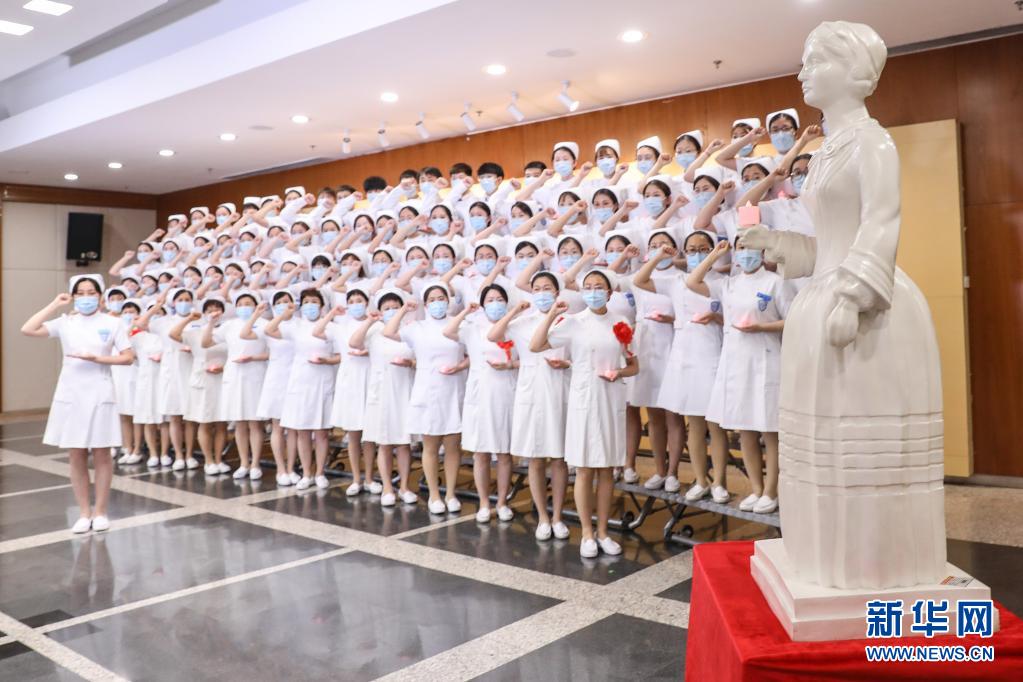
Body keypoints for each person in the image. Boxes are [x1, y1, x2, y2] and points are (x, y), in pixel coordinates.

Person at [530, 269, 638, 559]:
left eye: (598, 286)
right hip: (583, 398)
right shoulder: (573, 322)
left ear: (609, 292)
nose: (593, 291)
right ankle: (587, 533)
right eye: (587, 286)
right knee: (585, 468)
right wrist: (552, 315)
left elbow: (634, 365)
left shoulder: (621, 322)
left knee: (607, 469)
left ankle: (603, 532)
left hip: (611, 397)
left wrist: (618, 372)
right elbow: (535, 345)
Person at [21, 275, 134, 533]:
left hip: (100, 391)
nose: (85, 297)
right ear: (73, 296)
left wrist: (98, 359)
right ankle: (84, 513)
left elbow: (128, 357)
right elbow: (27, 329)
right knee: (76, 454)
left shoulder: (112, 323)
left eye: (91, 292)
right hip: (71, 394)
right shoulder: (65, 322)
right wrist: (54, 304)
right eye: (80, 293)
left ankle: (101, 512)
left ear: (100, 296)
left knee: (102, 454)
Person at [686, 238, 788, 514]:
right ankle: (756, 489)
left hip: (765, 359)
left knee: (769, 430)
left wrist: (762, 328)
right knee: (745, 429)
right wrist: (714, 255)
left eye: (750, 246)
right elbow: (693, 282)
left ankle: (771, 491)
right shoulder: (728, 283)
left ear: (763, 250)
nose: (745, 252)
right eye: (740, 247)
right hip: (736, 361)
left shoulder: (775, 282)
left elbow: (792, 319)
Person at [636, 232, 731, 504]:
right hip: (685, 356)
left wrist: (716, 317)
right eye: (691, 250)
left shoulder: (723, 283)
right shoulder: (675, 281)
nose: (697, 254)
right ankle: (700, 480)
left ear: (713, 250)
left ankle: (719, 482)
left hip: (712, 353)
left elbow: (732, 317)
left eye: (703, 249)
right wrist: (658, 256)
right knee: (695, 424)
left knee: (715, 425)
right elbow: (639, 280)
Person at [489, 270, 572, 540]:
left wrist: (567, 363)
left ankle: (557, 516)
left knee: (558, 459)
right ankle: (543, 518)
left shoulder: (568, 320)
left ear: (557, 292)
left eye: (547, 288)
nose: (542, 293)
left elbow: (580, 357)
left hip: (559, 389)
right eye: (537, 288)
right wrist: (514, 311)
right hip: (530, 391)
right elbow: (494, 335)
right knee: (535, 457)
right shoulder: (522, 322)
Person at [381, 283, 467, 515]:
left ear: (448, 301)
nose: (438, 303)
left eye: (441, 298)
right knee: (431, 446)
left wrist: (460, 366)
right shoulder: (416, 327)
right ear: (426, 304)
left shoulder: (459, 323)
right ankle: (434, 495)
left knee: (452, 446)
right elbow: (388, 332)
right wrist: (404, 310)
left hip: (453, 389)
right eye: (432, 299)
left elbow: (473, 354)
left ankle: (450, 493)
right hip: (427, 390)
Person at [443, 285, 518, 523]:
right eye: (490, 300)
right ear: (483, 305)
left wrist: (509, 365)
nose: (495, 304)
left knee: (504, 453)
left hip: (506, 393)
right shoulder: (473, 328)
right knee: (480, 453)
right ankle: (484, 502)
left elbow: (526, 359)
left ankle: (502, 502)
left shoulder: (515, 328)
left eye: (500, 299)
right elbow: (448, 331)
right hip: (479, 394)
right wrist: (466, 311)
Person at [350, 288, 418, 507]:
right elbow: (354, 343)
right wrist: (369, 321)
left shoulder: (410, 330)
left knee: (404, 443)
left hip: (404, 388)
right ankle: (387, 487)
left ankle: (404, 486)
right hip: (381, 391)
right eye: (387, 308)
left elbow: (421, 358)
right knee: (384, 443)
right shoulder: (375, 330)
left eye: (395, 307)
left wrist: (411, 363)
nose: (391, 311)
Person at [265, 289, 339, 490]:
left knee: (322, 432)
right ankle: (306, 473)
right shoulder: (296, 326)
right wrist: (284, 314)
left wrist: (327, 361)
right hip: (300, 382)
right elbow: (270, 330)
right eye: (306, 302)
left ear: (322, 306)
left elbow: (340, 356)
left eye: (314, 301)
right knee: (303, 431)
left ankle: (320, 472)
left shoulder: (332, 327)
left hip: (322, 381)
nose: (310, 305)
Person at [211, 291, 269, 480]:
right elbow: (207, 341)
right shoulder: (229, 325)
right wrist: (211, 323)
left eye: (248, 303)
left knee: (255, 423)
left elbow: (272, 352)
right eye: (240, 304)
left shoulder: (264, 324)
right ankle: (244, 462)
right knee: (240, 422)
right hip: (234, 375)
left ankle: (255, 463)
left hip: (255, 374)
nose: (244, 307)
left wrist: (253, 358)